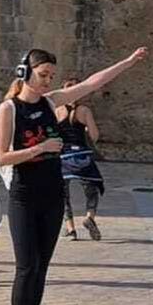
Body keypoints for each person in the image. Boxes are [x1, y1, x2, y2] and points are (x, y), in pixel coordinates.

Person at [0, 47, 147, 305]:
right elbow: (0, 157)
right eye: (43, 75)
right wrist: (40, 147)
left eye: (51, 76)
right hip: (24, 195)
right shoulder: (9, 108)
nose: (48, 81)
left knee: (41, 268)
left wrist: (128, 62)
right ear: (25, 72)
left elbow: (92, 83)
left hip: (52, 194)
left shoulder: (52, 102)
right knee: (26, 265)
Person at [54, 81, 105, 242]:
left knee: (62, 194)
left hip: (63, 157)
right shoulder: (84, 111)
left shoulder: (56, 111)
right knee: (93, 188)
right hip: (82, 155)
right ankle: (90, 216)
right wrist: (87, 131)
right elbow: (95, 136)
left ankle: (70, 229)